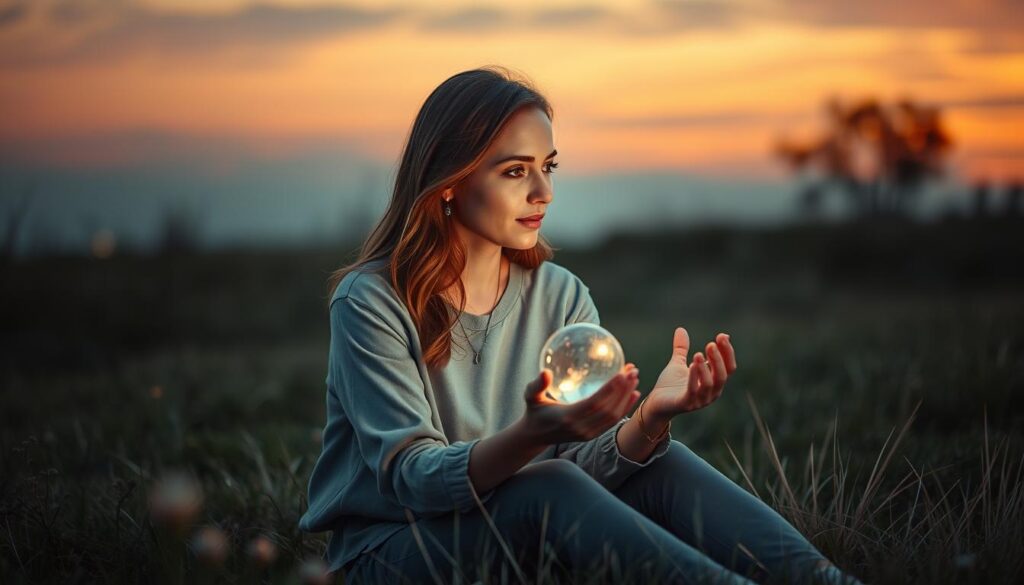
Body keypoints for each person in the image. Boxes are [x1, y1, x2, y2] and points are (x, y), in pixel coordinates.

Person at [299, 66, 862, 585]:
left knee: (659, 463)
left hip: (519, 523)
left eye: (548, 167)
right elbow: (411, 480)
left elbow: (582, 471)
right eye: (515, 170)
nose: (542, 192)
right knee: (547, 486)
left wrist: (647, 422)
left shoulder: (561, 294)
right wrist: (532, 435)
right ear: (449, 181)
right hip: (391, 552)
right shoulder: (371, 300)